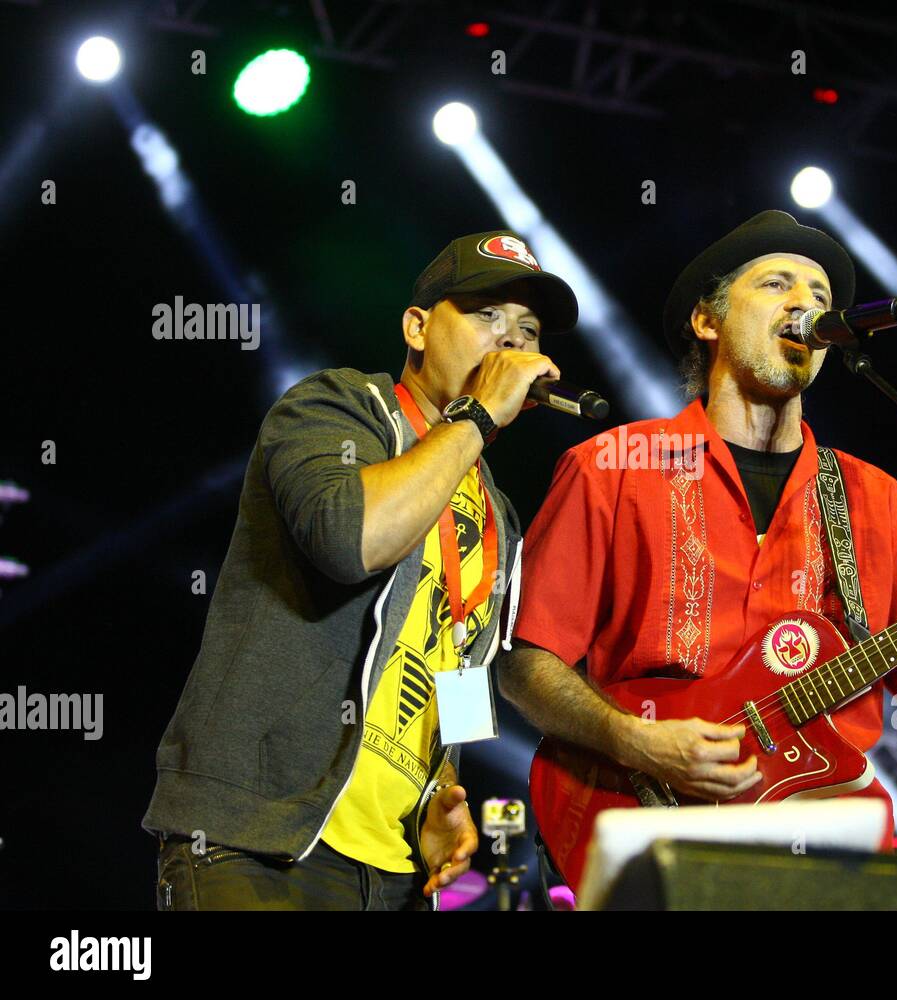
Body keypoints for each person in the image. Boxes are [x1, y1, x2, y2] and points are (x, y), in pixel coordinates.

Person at [499, 210, 897, 855]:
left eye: (822, 297)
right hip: (644, 815)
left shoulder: (878, 501)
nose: (806, 303)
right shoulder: (613, 467)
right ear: (707, 320)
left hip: (828, 826)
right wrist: (634, 740)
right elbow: (527, 664)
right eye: (777, 284)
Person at [143, 230, 576, 909]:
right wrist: (478, 415)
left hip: (395, 872)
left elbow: (464, 661)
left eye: (527, 329)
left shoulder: (496, 510)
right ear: (417, 327)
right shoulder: (338, 407)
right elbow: (352, 539)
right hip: (262, 844)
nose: (511, 343)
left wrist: (442, 788)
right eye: (487, 316)